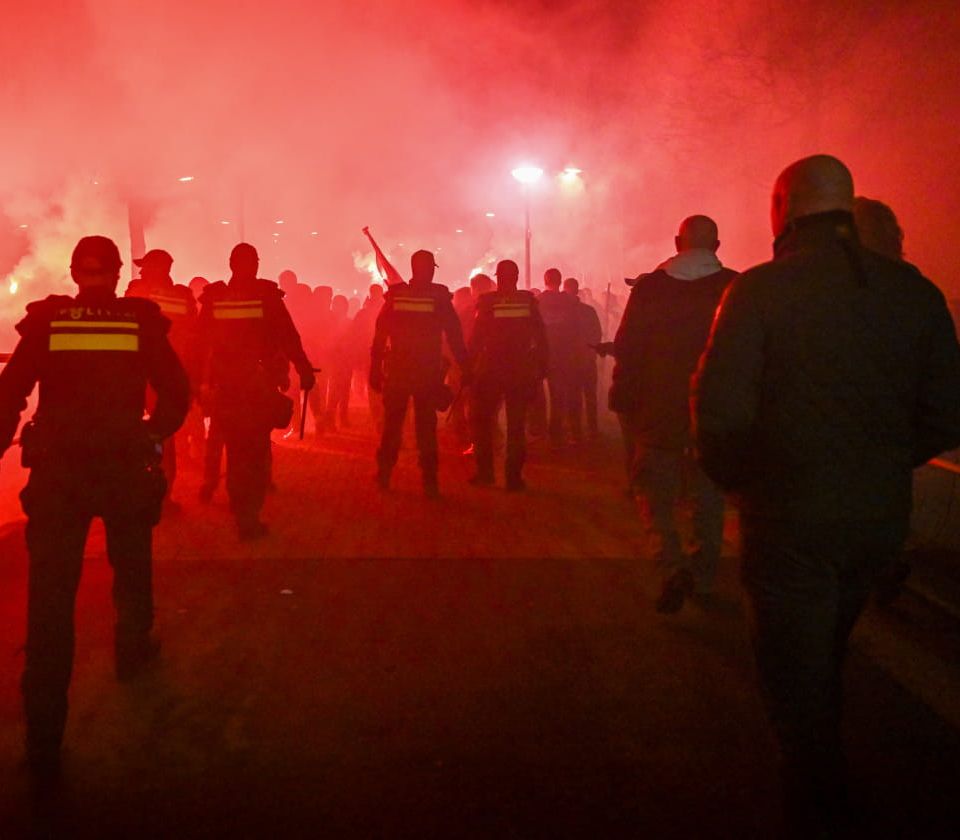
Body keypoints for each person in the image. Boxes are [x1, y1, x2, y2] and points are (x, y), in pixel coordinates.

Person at [692, 155, 960, 834]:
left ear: (784, 208)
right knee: (828, 647)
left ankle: (817, 803)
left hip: (790, 517)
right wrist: (883, 463)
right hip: (877, 516)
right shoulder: (914, 293)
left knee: (793, 674)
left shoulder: (760, 291)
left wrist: (742, 481)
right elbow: (947, 412)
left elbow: (719, 412)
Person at [0, 236, 190, 782]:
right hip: (123, 468)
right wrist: (152, 436)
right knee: (132, 564)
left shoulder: (47, 322)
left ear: (74, 272)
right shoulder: (140, 322)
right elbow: (176, 391)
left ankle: (43, 742)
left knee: (50, 604)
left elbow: (10, 394)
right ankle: (132, 647)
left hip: (59, 476)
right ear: (117, 272)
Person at [613, 216, 736, 612]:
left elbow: (628, 347)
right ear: (717, 246)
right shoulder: (734, 287)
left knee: (653, 491)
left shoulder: (650, 287)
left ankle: (670, 564)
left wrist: (623, 396)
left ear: (677, 242)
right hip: (714, 410)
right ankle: (702, 575)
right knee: (707, 496)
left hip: (658, 410)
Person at [197, 243, 315, 539]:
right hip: (257, 385)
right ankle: (248, 515)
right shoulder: (266, 295)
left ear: (231, 264)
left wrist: (199, 381)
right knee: (255, 451)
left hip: (227, 386)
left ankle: (242, 511)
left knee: (236, 450)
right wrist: (302, 368)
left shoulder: (215, 297)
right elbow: (288, 336)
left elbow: (200, 344)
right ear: (254, 264)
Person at [369, 249, 469, 497]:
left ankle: (384, 474)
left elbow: (380, 334)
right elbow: (454, 335)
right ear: (431, 269)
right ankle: (430, 481)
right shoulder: (439, 297)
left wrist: (375, 367)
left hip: (399, 369)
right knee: (426, 428)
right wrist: (465, 365)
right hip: (427, 371)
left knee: (393, 425)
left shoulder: (396, 296)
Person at [125, 249, 198, 507]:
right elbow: (193, 337)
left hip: (138, 373)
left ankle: (137, 487)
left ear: (158, 268)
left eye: (145, 266)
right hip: (170, 374)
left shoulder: (138, 291)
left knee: (132, 429)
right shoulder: (183, 296)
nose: (141, 271)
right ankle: (163, 491)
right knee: (163, 434)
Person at [469, 260, 548, 490]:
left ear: (499, 278)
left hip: (491, 368)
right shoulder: (528, 302)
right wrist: (541, 368)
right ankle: (513, 478)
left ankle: (485, 473)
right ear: (516, 277)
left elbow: (477, 338)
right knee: (516, 425)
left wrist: (468, 367)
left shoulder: (487, 302)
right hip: (519, 369)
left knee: (482, 421)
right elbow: (541, 337)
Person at [537, 267, 578, 446]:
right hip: (563, 354)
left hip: (542, 354)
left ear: (545, 280)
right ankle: (556, 433)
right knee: (558, 395)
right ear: (560, 281)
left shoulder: (538, 301)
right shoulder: (569, 301)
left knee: (538, 396)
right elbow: (575, 328)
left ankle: (539, 431)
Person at [563, 277, 602, 441]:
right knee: (590, 397)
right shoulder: (589, 311)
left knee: (574, 397)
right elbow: (597, 334)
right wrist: (591, 351)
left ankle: (576, 432)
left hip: (572, 361)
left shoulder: (564, 313)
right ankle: (592, 430)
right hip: (587, 359)